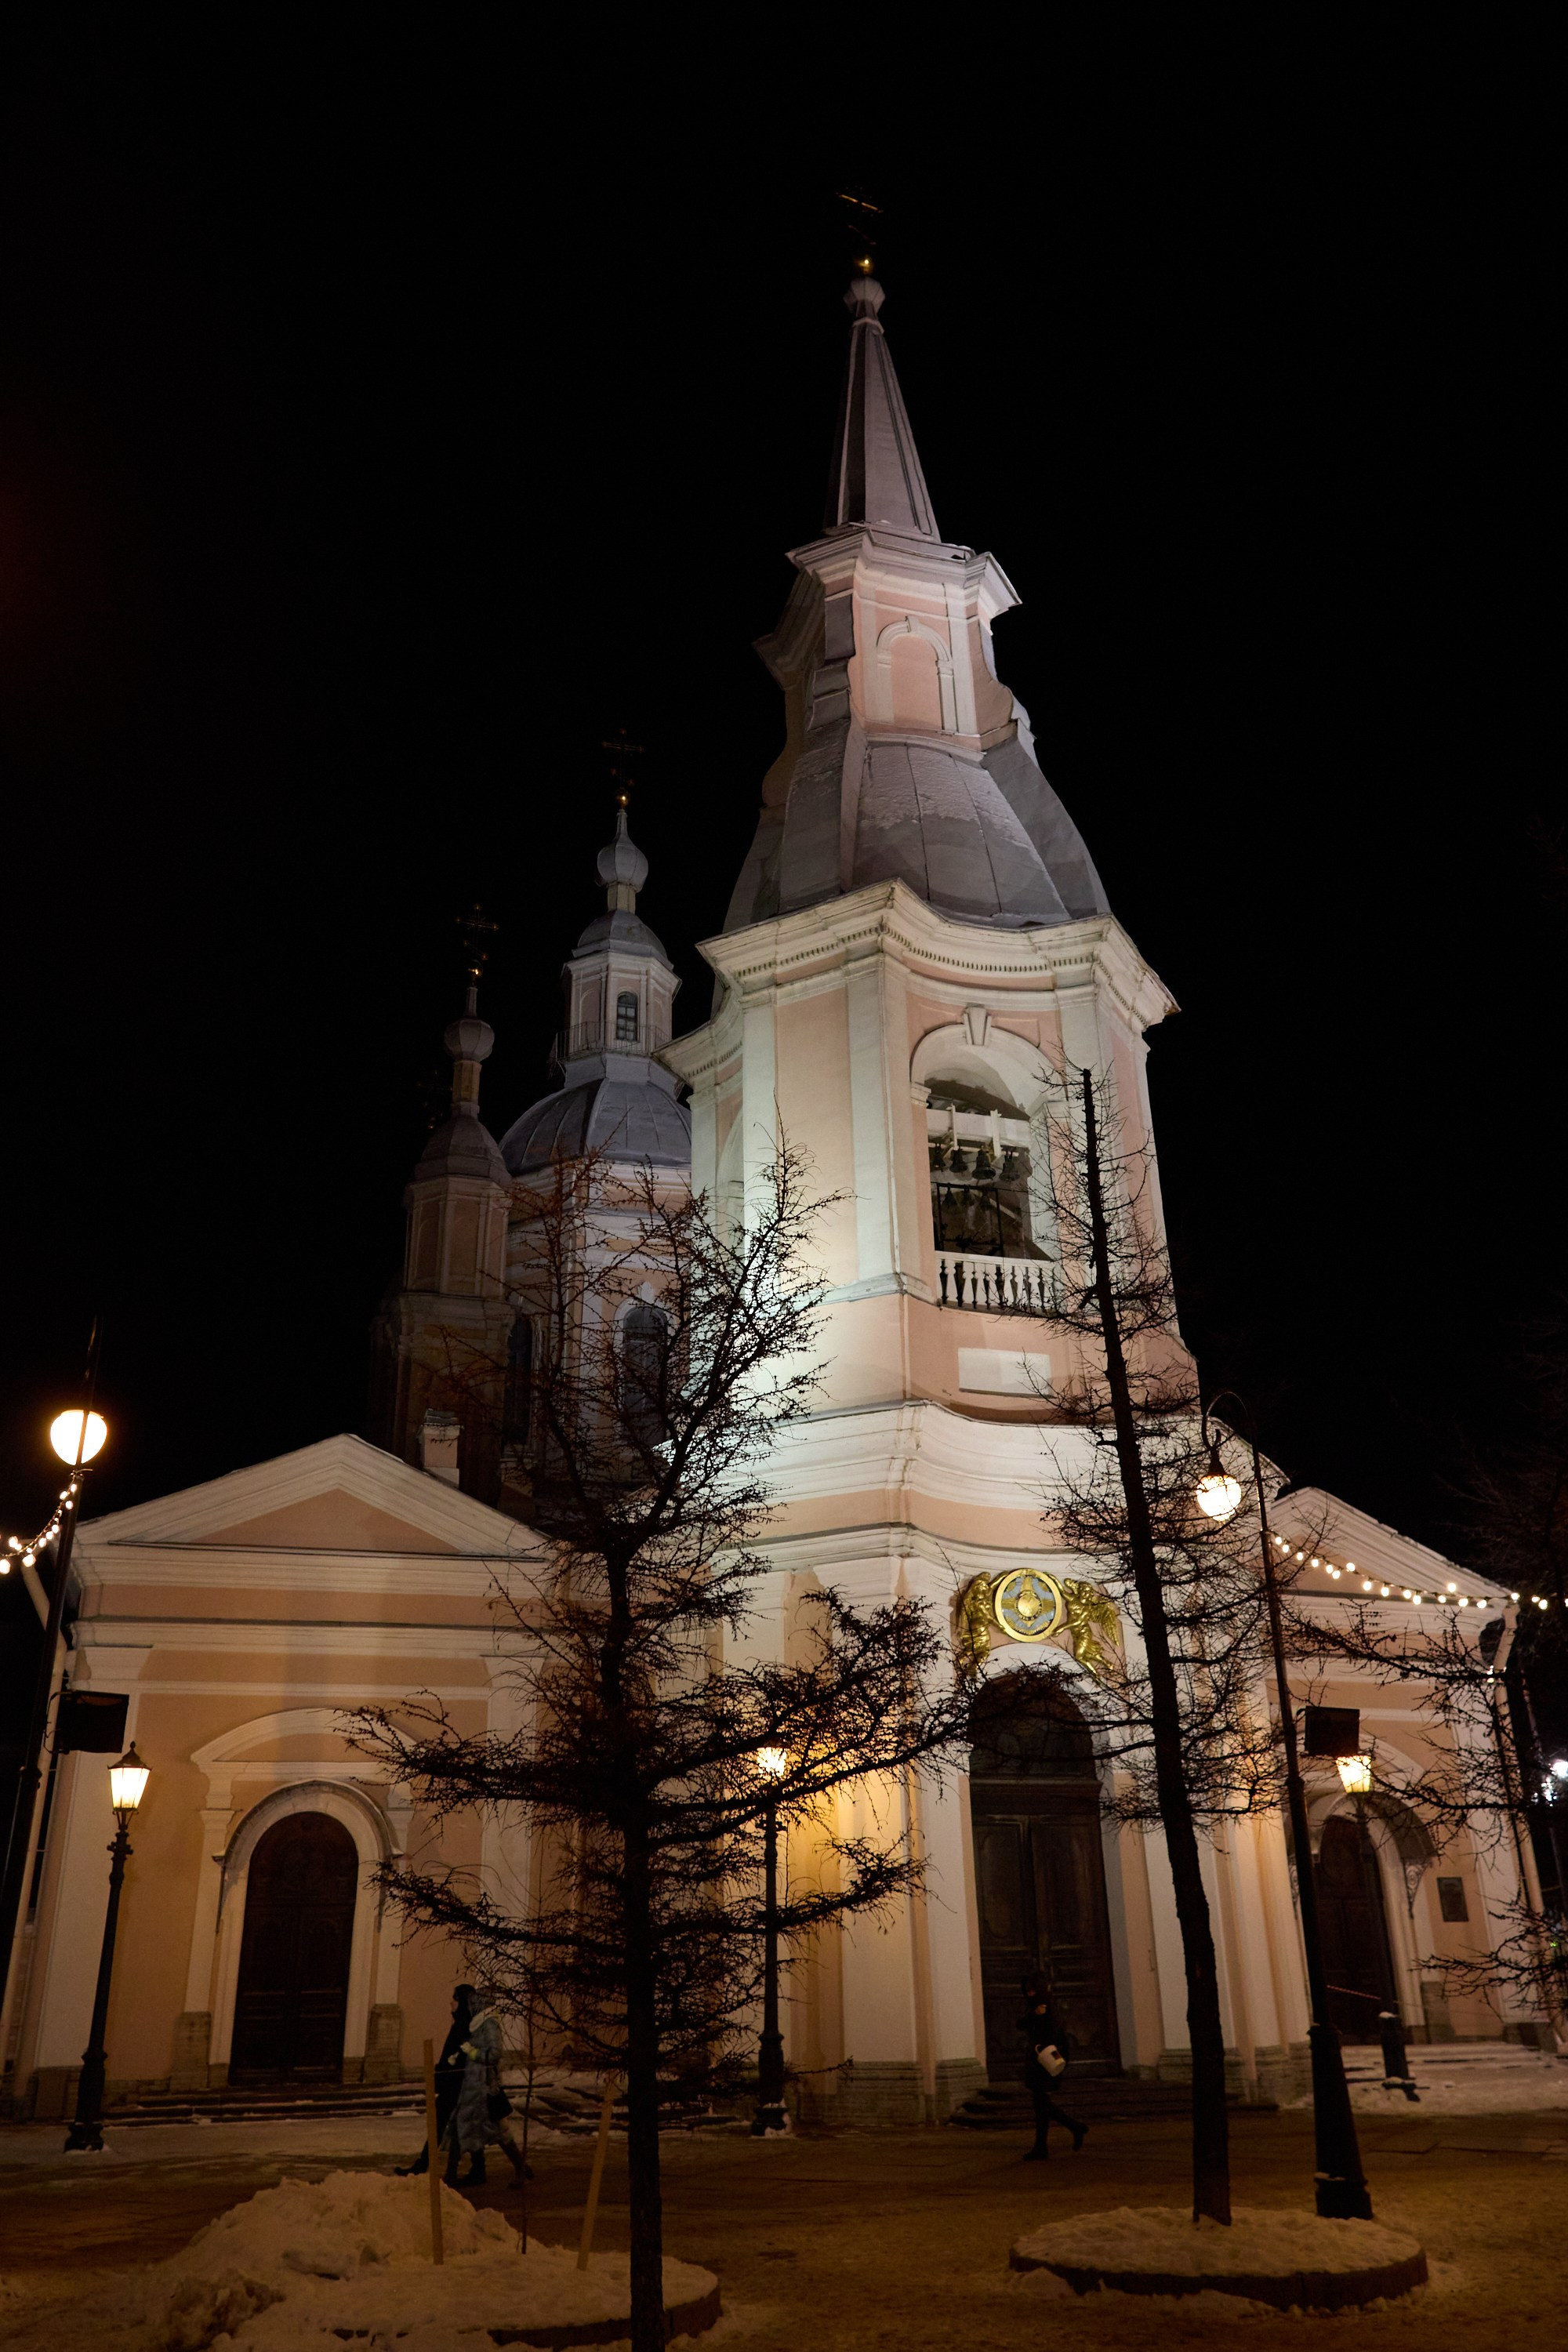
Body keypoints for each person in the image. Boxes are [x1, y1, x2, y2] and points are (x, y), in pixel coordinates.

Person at [397, 1984, 473, 2177]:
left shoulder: (465, 2026)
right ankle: (431, 2165)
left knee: (449, 2125)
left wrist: (447, 2071)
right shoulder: (462, 2023)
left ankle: (430, 2166)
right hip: (453, 2083)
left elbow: (461, 2055)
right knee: (451, 2125)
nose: (451, 2002)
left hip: (456, 2085)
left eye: (455, 1999)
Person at [1018, 1977, 1087, 2161]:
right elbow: (1020, 2024)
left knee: (1041, 2104)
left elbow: (1054, 2034)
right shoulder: (1033, 2007)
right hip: (1036, 2062)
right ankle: (1073, 2128)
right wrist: (1034, 2014)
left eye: (1032, 1990)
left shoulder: (1049, 2008)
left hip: (1045, 2061)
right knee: (1041, 2104)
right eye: (1027, 1991)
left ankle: (1044, 2146)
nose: (1029, 1994)